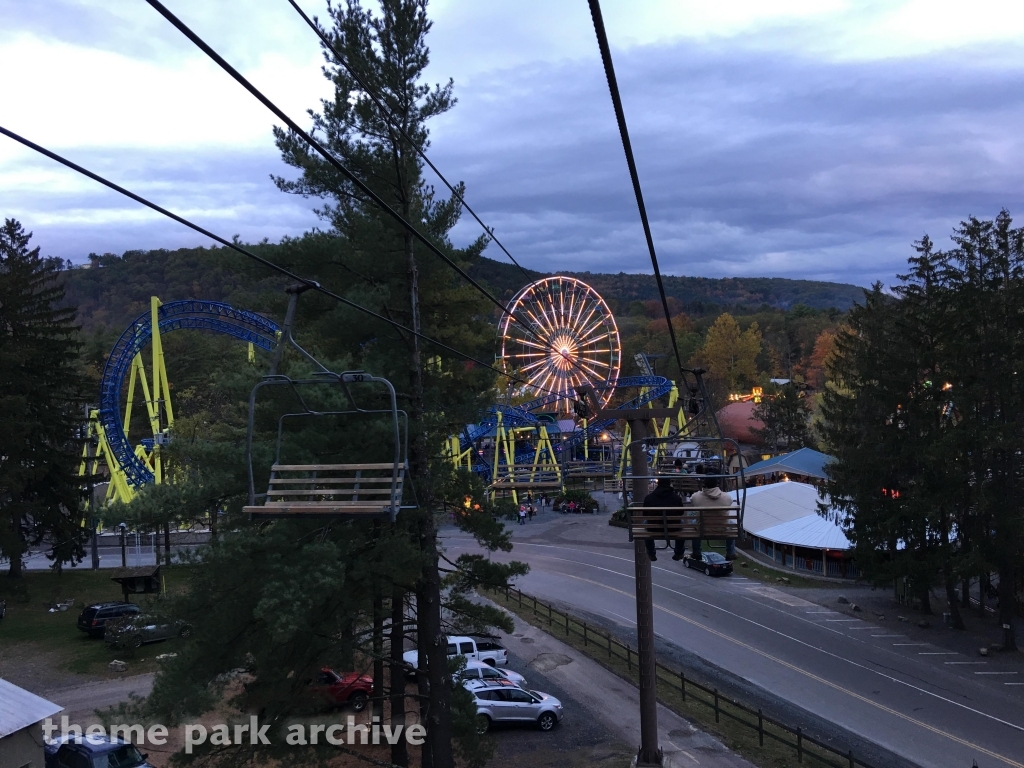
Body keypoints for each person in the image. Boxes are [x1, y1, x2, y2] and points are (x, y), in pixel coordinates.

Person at [689, 465, 736, 560]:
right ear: (717, 483)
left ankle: (696, 552)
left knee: (693, 523)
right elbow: (730, 502)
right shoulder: (726, 497)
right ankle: (730, 552)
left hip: (703, 528)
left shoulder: (696, 497)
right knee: (731, 523)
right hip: (722, 528)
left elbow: (692, 501)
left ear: (704, 483)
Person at [642, 477, 686, 562]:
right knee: (682, 523)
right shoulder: (676, 498)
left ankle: (651, 552)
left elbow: (645, 514)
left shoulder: (649, 498)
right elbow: (681, 512)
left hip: (653, 528)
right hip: (673, 528)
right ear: (669, 484)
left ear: (658, 483)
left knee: (645, 523)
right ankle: (679, 552)